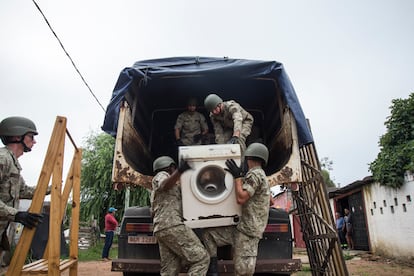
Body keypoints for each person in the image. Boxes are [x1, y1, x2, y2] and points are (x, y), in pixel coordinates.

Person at [202, 142, 270, 276]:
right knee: (210, 235)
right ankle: (213, 271)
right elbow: (270, 200)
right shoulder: (261, 176)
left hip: (248, 232)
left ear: (248, 158)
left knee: (243, 271)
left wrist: (238, 177)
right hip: (241, 228)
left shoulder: (255, 174)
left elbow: (241, 198)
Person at [151, 156, 209, 276]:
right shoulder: (162, 175)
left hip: (162, 228)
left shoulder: (158, 191)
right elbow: (164, 185)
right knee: (201, 259)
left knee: (170, 270)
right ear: (171, 167)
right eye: (175, 168)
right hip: (172, 225)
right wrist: (180, 170)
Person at [0, 116, 44, 266]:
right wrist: (17, 214)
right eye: (31, 137)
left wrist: (54, 187)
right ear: (17, 136)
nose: (34, 141)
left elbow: (24, 191)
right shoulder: (2, 159)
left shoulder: (13, 163)